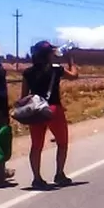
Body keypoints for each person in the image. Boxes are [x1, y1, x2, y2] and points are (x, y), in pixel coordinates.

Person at [21, 41, 79, 189]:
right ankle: (59, 174)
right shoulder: (56, 69)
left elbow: (23, 96)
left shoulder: (28, 72)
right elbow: (74, 75)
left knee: (36, 146)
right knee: (62, 143)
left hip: (36, 110)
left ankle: (37, 178)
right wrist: (70, 59)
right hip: (53, 109)